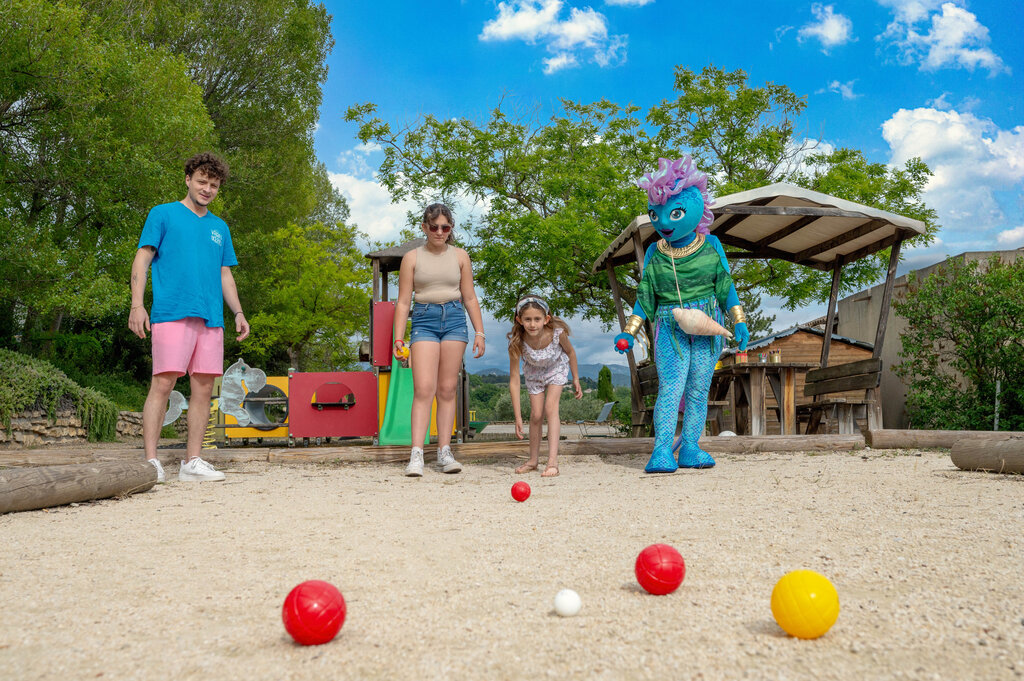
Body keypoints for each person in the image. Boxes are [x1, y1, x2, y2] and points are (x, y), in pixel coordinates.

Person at [613, 156, 749, 473]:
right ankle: (661, 451)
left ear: (696, 207)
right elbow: (646, 296)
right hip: (669, 326)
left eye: (674, 213)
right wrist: (628, 331)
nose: (663, 222)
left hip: (708, 323)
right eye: (655, 214)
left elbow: (724, 286)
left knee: (699, 388)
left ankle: (689, 447)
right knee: (672, 386)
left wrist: (738, 321)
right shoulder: (654, 252)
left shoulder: (712, 245)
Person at [128, 152, 250, 483]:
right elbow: (142, 259)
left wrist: (238, 312)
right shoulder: (163, 214)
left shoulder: (219, 227)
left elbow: (225, 274)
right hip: (172, 312)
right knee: (163, 382)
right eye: (201, 181)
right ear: (187, 179)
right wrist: (137, 305)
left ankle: (191, 462)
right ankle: (151, 462)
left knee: (204, 388)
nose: (207, 189)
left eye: (213, 184)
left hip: (211, 318)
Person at [393, 203, 486, 477]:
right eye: (434, 227)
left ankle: (445, 452)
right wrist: (399, 340)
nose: (439, 231)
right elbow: (402, 302)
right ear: (424, 227)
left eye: (445, 227)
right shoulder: (411, 258)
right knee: (423, 388)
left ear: (450, 229)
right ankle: (417, 454)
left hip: (455, 319)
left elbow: (469, 296)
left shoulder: (460, 256)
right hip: (424, 319)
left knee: (447, 389)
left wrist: (479, 332)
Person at [507, 295, 583, 477]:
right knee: (535, 415)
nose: (532, 324)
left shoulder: (557, 333)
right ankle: (533, 461)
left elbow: (571, 352)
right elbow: (514, 379)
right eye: (527, 319)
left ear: (546, 319)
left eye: (537, 319)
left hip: (556, 369)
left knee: (550, 409)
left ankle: (552, 462)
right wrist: (517, 417)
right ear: (519, 320)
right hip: (534, 374)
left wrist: (576, 378)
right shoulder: (517, 342)